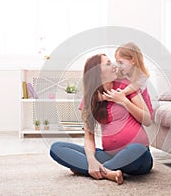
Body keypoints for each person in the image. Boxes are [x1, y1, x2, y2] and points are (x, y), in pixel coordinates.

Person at [50, 53, 154, 185]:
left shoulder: (125, 87)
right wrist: (92, 160)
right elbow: (89, 137)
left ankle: (92, 170)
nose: (114, 66)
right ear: (97, 72)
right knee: (57, 148)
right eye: (108, 63)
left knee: (137, 149)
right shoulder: (91, 99)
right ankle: (107, 171)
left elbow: (147, 120)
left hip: (138, 156)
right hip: (109, 155)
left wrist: (123, 101)